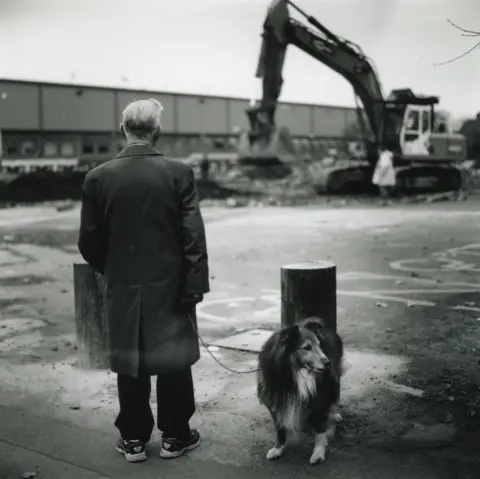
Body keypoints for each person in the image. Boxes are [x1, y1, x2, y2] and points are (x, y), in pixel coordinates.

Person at [78, 98, 210, 463]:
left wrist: (113, 269)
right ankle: (175, 436)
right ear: (157, 131)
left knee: (129, 360)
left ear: (124, 130)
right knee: (173, 360)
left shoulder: (97, 178)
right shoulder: (179, 173)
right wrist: (194, 284)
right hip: (172, 286)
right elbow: (192, 237)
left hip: (123, 285)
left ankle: (134, 439)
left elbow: (89, 242)